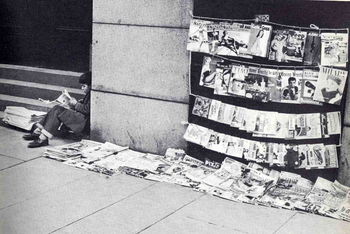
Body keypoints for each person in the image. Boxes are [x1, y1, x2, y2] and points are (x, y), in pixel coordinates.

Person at [23, 72, 91, 148]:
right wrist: (73, 103)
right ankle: (38, 132)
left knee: (58, 110)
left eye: (84, 86)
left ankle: (43, 138)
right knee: (56, 108)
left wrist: (76, 104)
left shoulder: (92, 94)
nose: (82, 88)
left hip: (83, 122)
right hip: (81, 118)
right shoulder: (89, 93)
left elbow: (87, 110)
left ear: (90, 86)